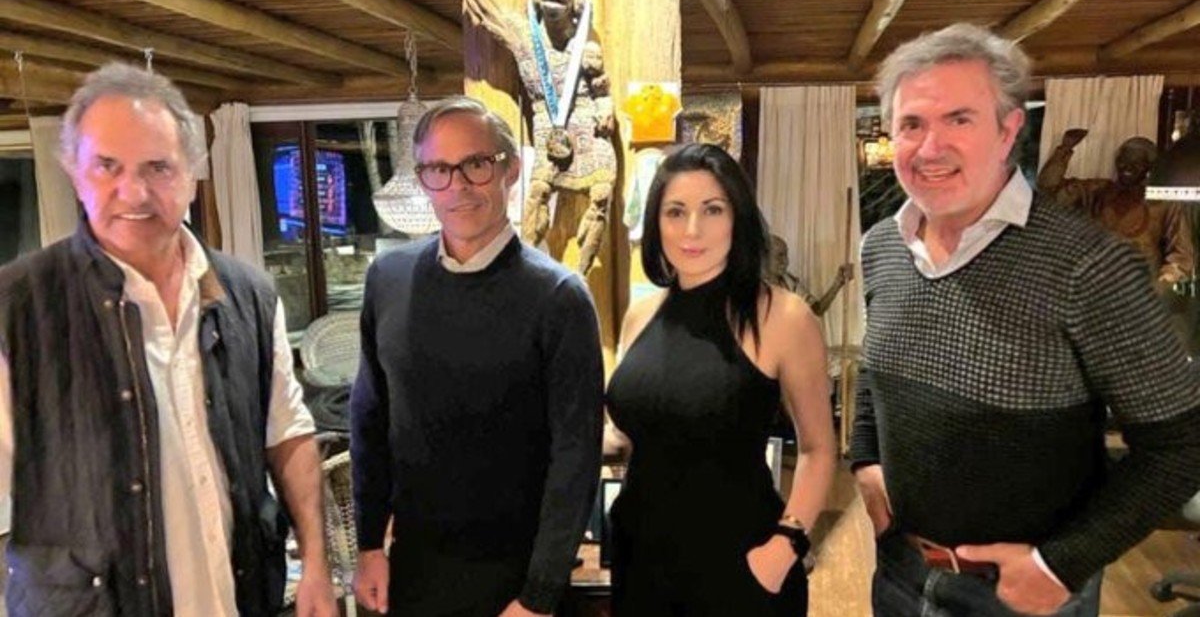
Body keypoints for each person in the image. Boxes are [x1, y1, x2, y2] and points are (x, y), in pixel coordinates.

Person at [851, 23, 1200, 617]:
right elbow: (876, 364)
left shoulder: (1090, 264)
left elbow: (1182, 444)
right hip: (901, 573)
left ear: (1009, 129)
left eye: (959, 119)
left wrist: (1062, 564)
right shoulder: (882, 244)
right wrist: (865, 460)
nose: (930, 147)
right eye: (911, 124)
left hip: (1022, 596)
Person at [0, 62, 336, 616]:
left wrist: (317, 566)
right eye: (107, 166)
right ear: (73, 171)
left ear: (193, 171)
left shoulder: (246, 294)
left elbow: (288, 435)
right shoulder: (17, 307)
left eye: (158, 167)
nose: (133, 192)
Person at [350, 96, 604, 616]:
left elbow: (576, 455)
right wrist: (370, 544)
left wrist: (539, 594)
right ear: (423, 180)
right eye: (439, 169)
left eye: (476, 164)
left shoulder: (558, 297)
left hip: (516, 581)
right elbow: (369, 419)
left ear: (510, 170)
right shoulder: (388, 279)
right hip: (413, 570)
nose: (458, 185)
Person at [605, 143, 837, 615]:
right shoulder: (641, 314)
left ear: (738, 218)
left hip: (741, 567)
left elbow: (818, 450)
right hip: (641, 560)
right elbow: (632, 433)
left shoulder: (783, 316)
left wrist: (785, 547)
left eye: (712, 209)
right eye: (675, 211)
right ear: (656, 223)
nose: (692, 229)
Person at [1037, 130, 1194, 291]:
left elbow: (1182, 255)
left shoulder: (1162, 201)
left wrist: (1164, 281)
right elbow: (1049, 187)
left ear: (1149, 167)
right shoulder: (1097, 190)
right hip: (1094, 286)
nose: (1127, 167)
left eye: (1137, 162)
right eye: (1123, 160)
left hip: (1139, 291)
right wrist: (1064, 149)